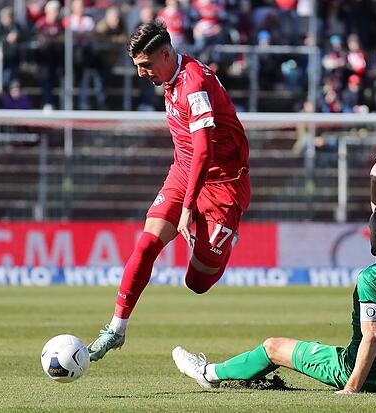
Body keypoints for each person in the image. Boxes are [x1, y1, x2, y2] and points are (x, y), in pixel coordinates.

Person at [171, 156, 376, 394]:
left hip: (360, 369)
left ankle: (208, 373)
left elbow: (372, 338)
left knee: (273, 347)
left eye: (371, 227)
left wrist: (351, 388)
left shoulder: (373, 277)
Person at [87, 20, 251, 361]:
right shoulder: (170, 76)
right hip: (183, 173)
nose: (141, 74)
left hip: (222, 185)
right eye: (137, 67)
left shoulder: (195, 84)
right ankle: (116, 328)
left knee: (197, 282)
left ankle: (225, 238)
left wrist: (189, 207)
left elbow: (205, 151)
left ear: (165, 54)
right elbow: (193, 153)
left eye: (145, 66)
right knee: (147, 243)